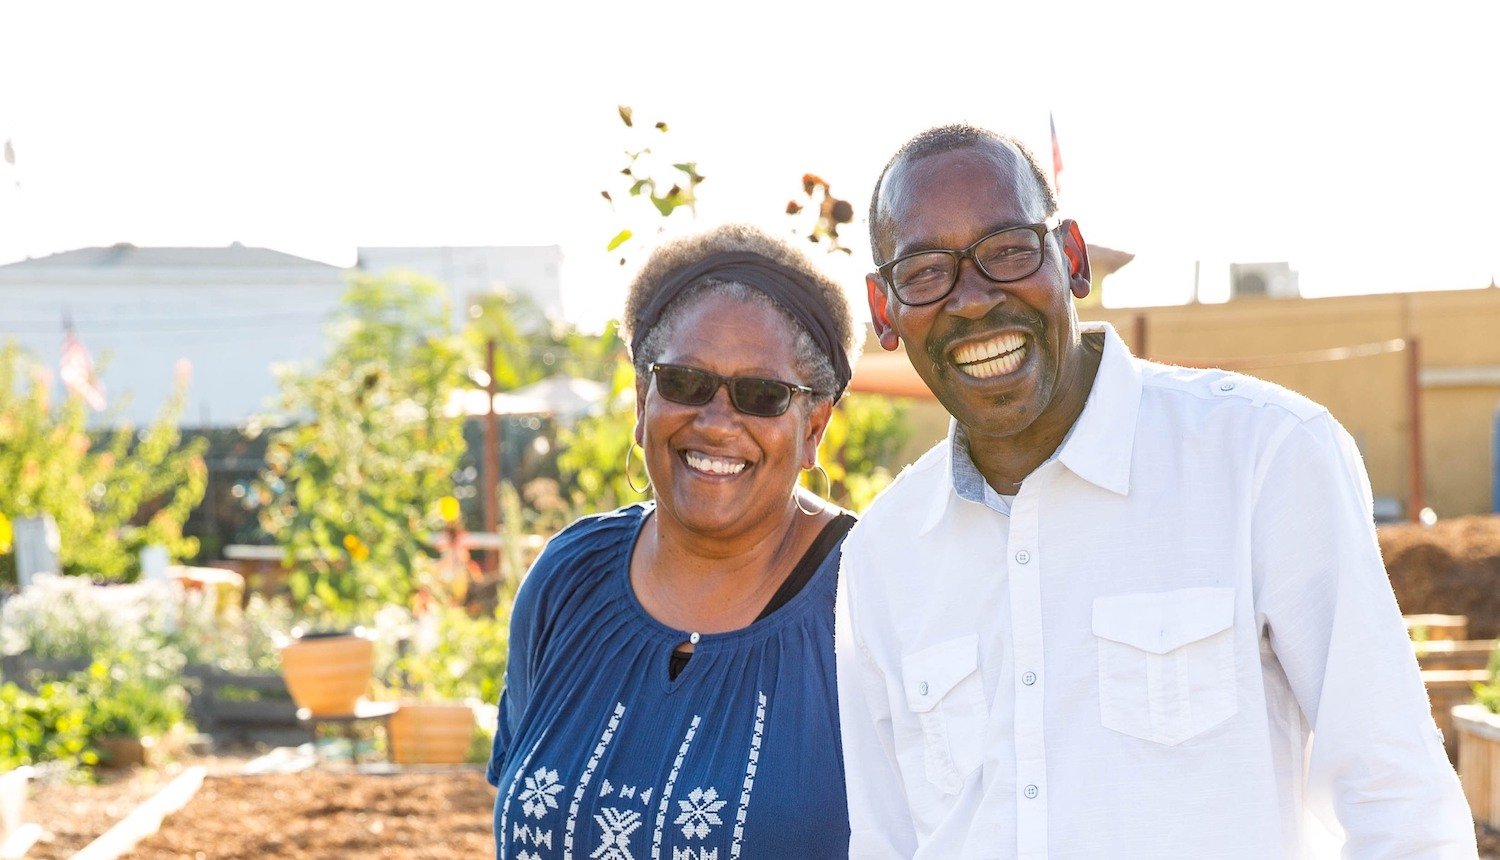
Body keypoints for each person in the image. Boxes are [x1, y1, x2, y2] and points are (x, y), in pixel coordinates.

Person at [835, 123, 1477, 857]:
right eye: (923, 271)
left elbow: (1397, 799)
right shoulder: (884, 555)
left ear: (1071, 259)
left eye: (1009, 250)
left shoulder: (1261, 458)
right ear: (884, 309)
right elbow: (886, 840)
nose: (974, 300)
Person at [487, 224, 860, 858]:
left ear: (813, 428)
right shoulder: (566, 580)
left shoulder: (867, 600)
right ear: (641, 399)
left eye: (762, 395)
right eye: (684, 382)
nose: (716, 423)